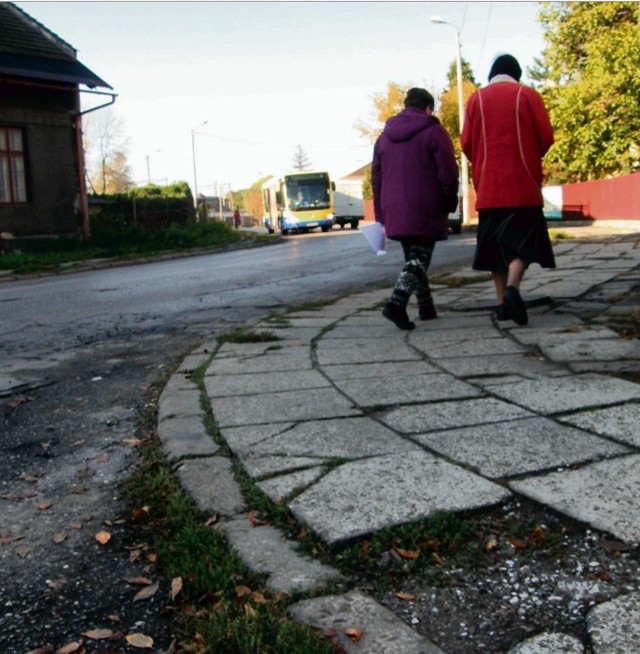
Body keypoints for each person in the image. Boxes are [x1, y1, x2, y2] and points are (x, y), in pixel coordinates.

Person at [460, 54, 556, 326]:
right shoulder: (528, 95)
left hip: (489, 189)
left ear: (491, 75)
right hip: (522, 186)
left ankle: (502, 303)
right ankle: (514, 287)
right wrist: (530, 154)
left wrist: (482, 161)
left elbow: (466, 143)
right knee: (524, 243)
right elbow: (546, 136)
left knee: (494, 250)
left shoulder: (475, 99)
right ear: (517, 74)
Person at [372, 87, 459, 331]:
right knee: (420, 258)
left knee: (413, 257)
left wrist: (381, 214)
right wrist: (449, 199)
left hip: (394, 208)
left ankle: (426, 307)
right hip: (426, 203)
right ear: (428, 108)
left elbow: (376, 178)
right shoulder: (433, 131)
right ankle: (396, 303)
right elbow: (449, 171)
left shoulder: (383, 138)